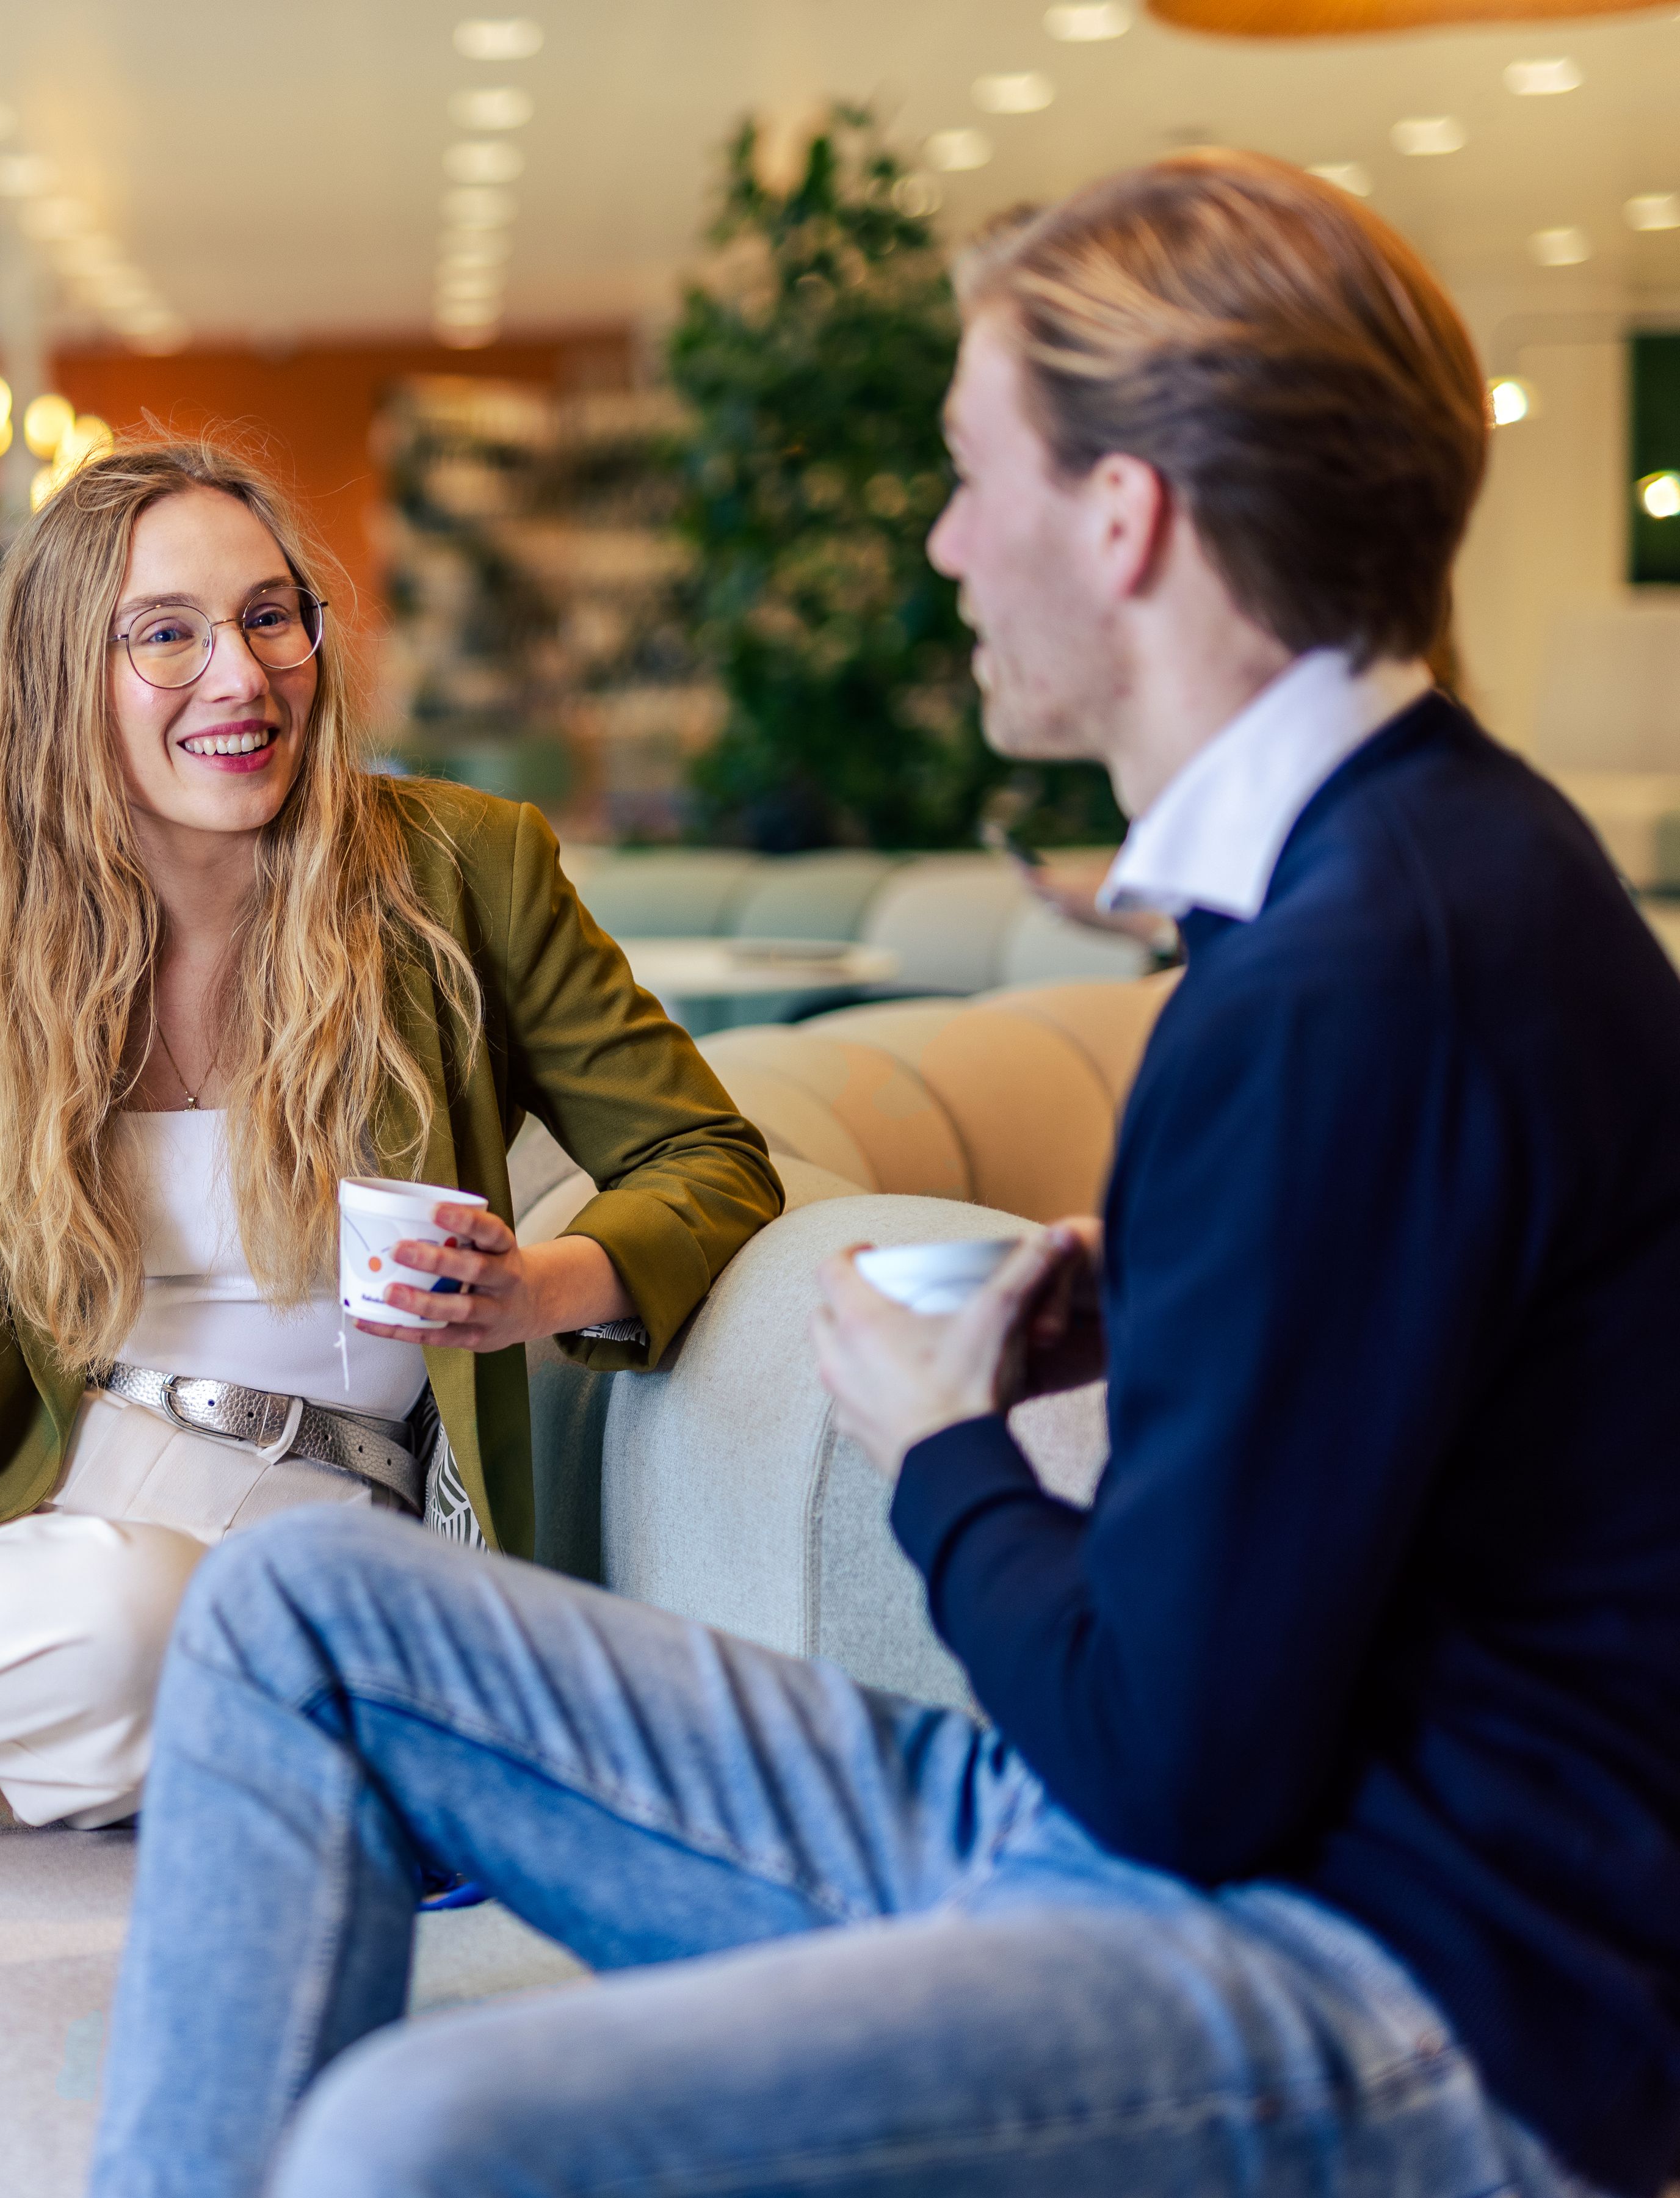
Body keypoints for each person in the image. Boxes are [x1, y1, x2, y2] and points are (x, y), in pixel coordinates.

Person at [85, 151, 1680, 2198]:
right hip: (1171, 1846)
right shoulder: (1393, 884)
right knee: (300, 1600)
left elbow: (1175, 1767)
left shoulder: (1375, 971)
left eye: (967, 470)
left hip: (1397, 1986)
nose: (941, 544)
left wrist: (946, 1447)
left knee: (425, 2135)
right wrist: (1190, 1296)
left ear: (1128, 520)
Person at [0, 438, 780, 2198]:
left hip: (315, 1584)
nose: (239, 678)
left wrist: (537, 1288)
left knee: (111, 1608)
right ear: (59, 681)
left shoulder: (461, 873)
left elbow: (707, 1158)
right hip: (17, 1535)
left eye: (270, 619)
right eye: (164, 636)